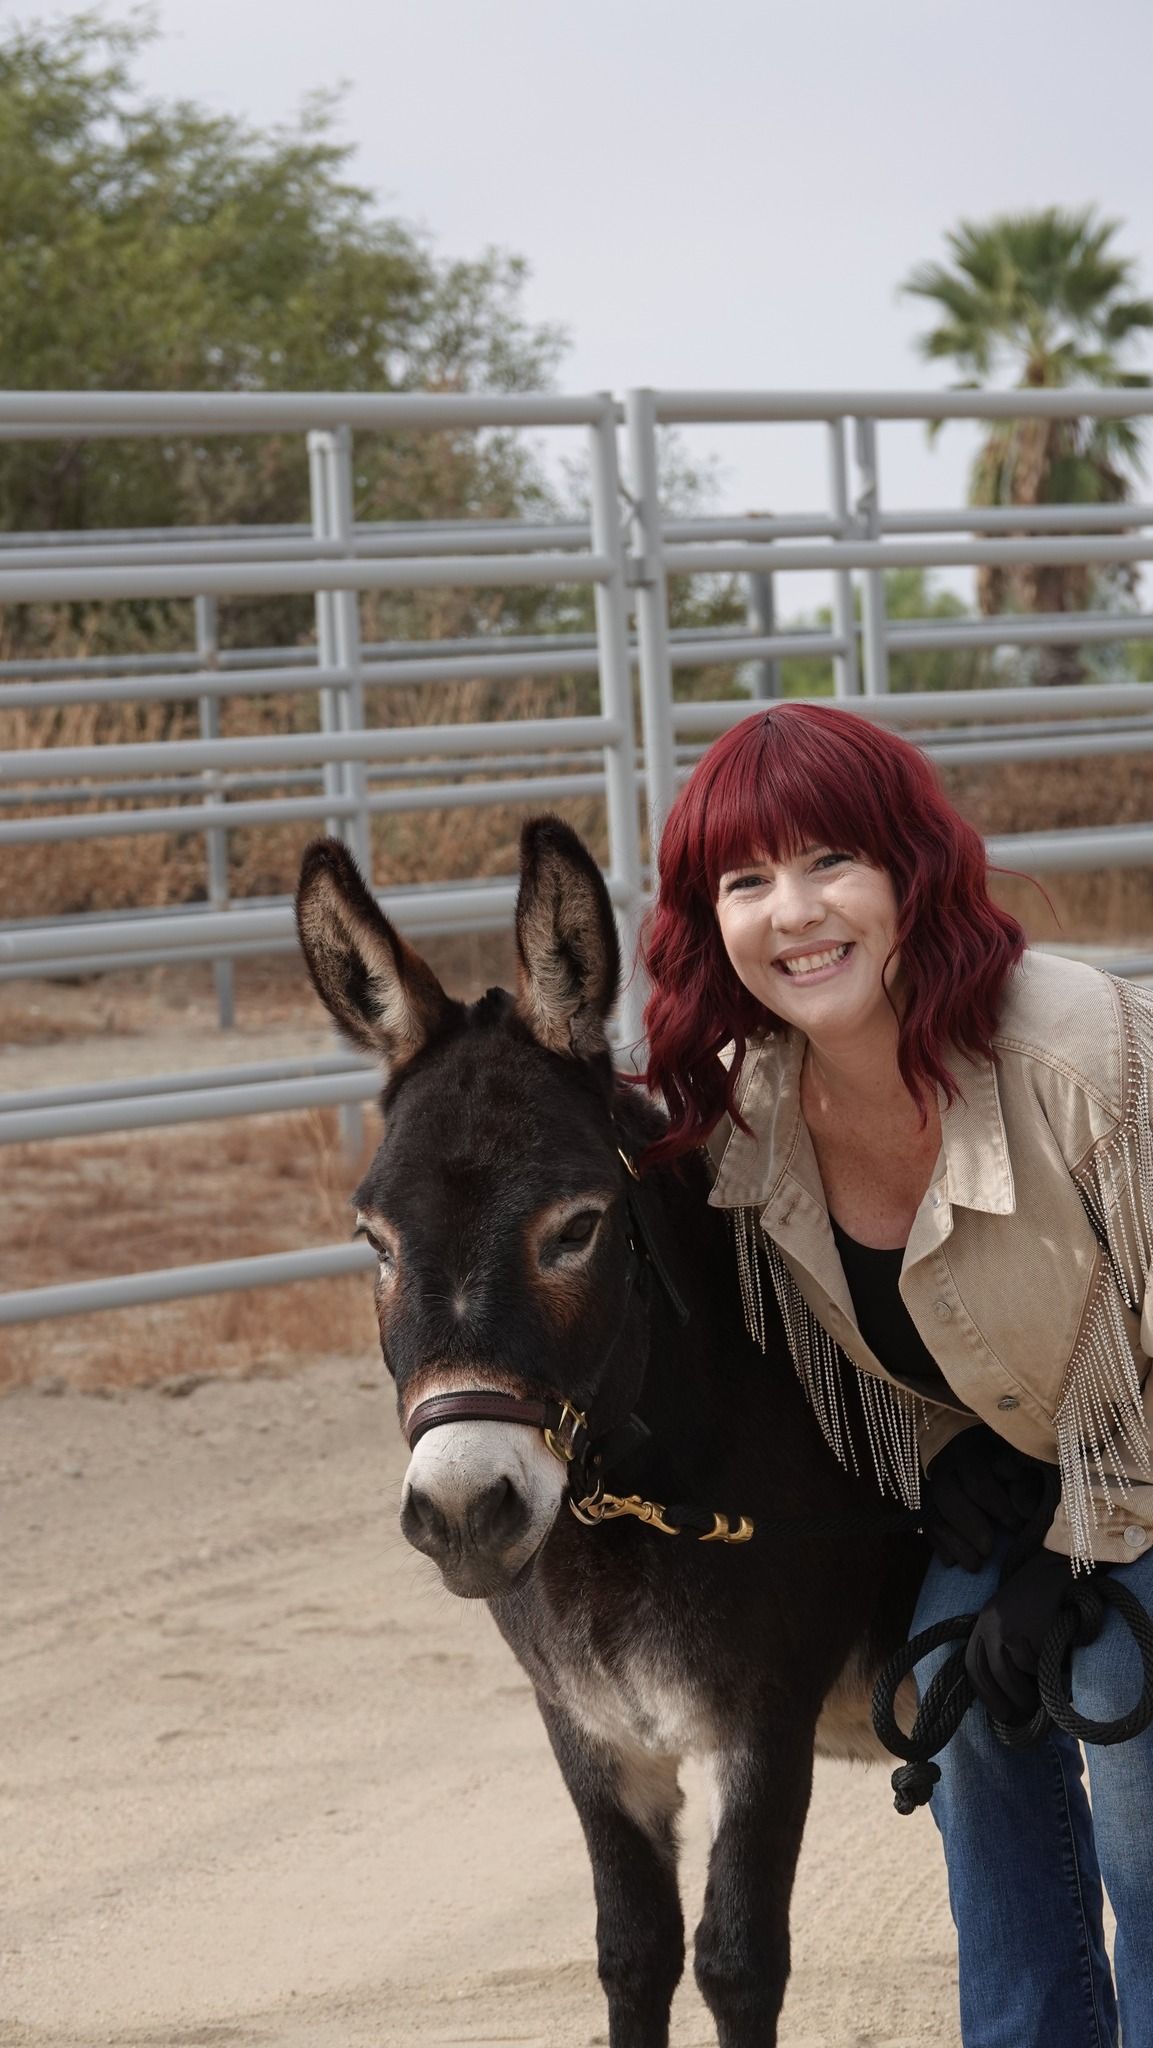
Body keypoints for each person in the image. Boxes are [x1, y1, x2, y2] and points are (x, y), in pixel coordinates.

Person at [641, 700, 1153, 2048]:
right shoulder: (751, 1116)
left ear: (909, 873)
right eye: (744, 881)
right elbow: (886, 1341)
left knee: (1126, 1728)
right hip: (1060, 1455)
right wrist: (948, 1456)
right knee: (958, 1696)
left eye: (829, 862)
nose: (792, 912)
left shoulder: (1080, 1054)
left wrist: (1065, 1563)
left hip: (1141, 1457)